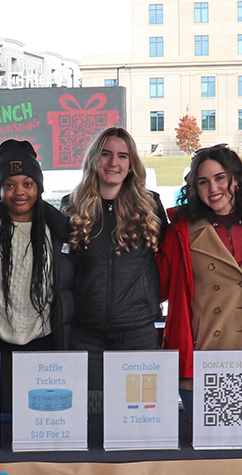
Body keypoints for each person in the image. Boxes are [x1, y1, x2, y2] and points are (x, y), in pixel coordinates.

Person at [158, 144, 242, 405]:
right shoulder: (181, 231)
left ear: (236, 179)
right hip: (204, 353)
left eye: (220, 178)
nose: (213, 189)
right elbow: (160, 285)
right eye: (203, 182)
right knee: (206, 443)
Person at [0, 139, 74, 409]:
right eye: (9, 184)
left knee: (40, 422)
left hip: (44, 344)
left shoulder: (59, 229)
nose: (19, 192)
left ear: (38, 187)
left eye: (28, 183)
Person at [62, 127, 166, 408]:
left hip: (137, 334)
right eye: (106, 154)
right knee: (89, 421)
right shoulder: (71, 208)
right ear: (94, 159)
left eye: (122, 156)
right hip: (86, 336)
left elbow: (165, 261)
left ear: (131, 163)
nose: (113, 163)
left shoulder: (151, 207)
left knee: (140, 419)